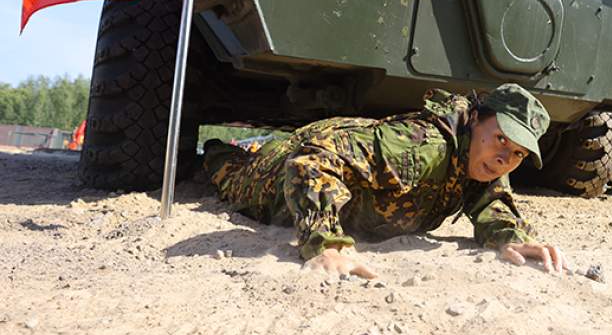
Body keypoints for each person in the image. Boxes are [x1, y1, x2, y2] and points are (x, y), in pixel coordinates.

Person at [205, 83, 569, 277]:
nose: (506, 157)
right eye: (502, 138)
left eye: (519, 153)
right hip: (284, 170)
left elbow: (492, 202)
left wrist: (511, 239)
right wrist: (325, 244)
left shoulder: (482, 160)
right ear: (475, 119)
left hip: (346, 142)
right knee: (231, 174)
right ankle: (212, 149)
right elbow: (312, 160)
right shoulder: (422, 148)